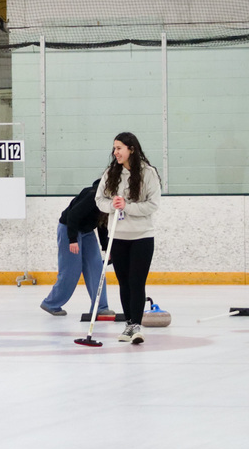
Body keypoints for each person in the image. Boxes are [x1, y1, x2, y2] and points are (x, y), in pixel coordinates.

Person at [95, 132, 161, 345]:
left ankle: (136, 325)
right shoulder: (110, 173)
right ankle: (129, 324)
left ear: (131, 148)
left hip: (142, 236)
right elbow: (100, 200)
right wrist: (111, 205)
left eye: (119, 148)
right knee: (124, 282)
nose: (115, 153)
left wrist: (128, 207)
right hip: (119, 236)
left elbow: (153, 204)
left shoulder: (148, 173)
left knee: (136, 281)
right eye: (114, 149)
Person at [40, 179, 114, 317]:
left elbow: (102, 223)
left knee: (96, 267)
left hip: (87, 232)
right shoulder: (93, 195)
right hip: (69, 229)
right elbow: (73, 215)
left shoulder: (109, 200)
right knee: (71, 270)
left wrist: (106, 248)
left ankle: (100, 307)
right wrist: (72, 239)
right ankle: (51, 303)